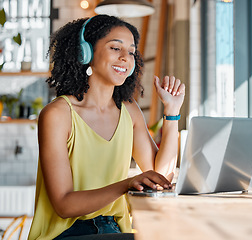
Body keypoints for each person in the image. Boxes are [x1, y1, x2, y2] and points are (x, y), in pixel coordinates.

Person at [28, 14, 185, 240]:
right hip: (65, 234)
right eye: (115, 48)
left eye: (131, 52)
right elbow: (64, 204)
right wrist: (126, 184)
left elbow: (161, 175)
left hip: (113, 230)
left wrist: (172, 112)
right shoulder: (58, 115)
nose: (125, 58)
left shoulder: (129, 112)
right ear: (86, 53)